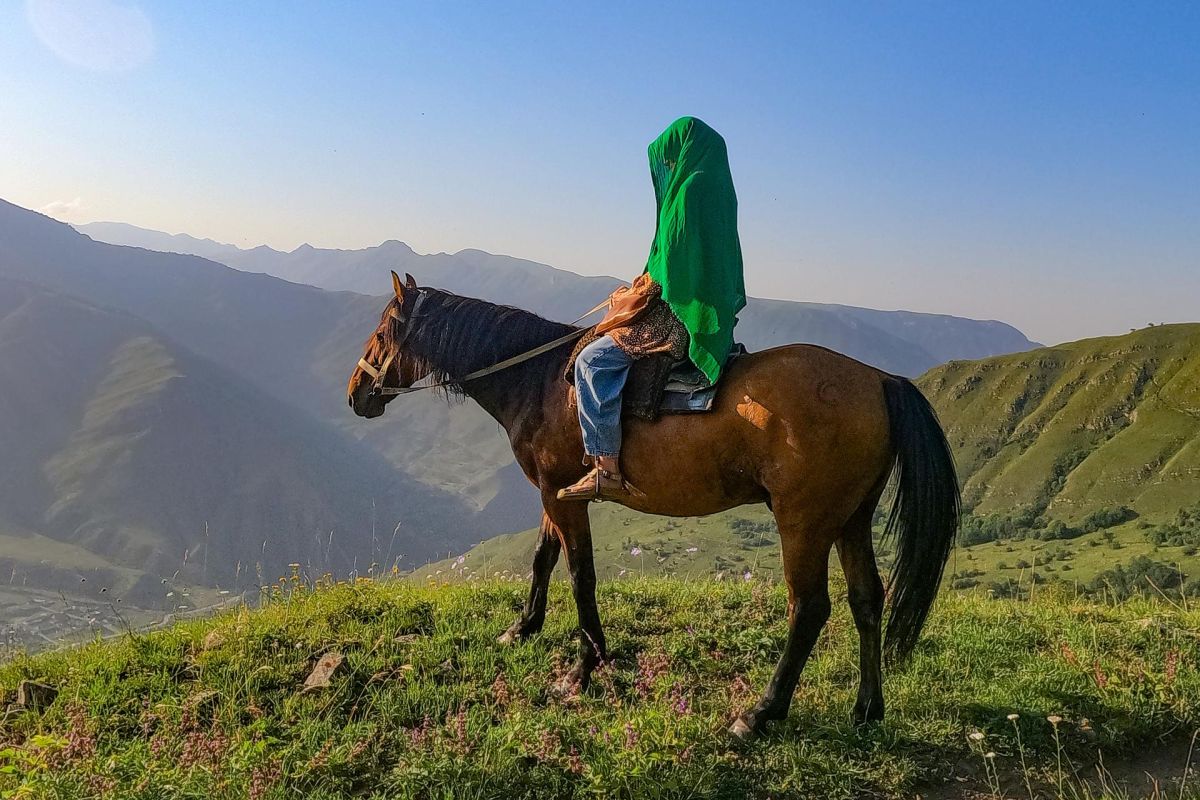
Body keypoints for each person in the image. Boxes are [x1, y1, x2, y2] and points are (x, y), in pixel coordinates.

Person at [557, 116, 746, 502]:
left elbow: (673, 268)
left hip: (676, 317)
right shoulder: (717, 187)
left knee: (592, 360)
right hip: (700, 310)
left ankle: (606, 468)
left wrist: (637, 290)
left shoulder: (690, 190)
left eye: (671, 160)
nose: (668, 169)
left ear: (685, 152)